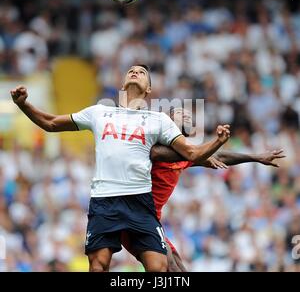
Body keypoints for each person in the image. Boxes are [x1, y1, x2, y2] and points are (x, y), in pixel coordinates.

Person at [10, 64, 231, 272]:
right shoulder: (99, 113)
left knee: (159, 267)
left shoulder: (159, 120)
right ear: (123, 84)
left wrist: (217, 142)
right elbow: (50, 123)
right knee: (98, 266)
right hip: (105, 199)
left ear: (149, 88)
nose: (135, 72)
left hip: (140, 201)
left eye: (141, 72)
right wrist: (23, 105)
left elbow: (191, 153)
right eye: (131, 71)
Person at [122, 107, 286, 271]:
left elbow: (219, 157)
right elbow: (160, 153)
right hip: (134, 217)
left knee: (179, 267)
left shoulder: (187, 154)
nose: (185, 114)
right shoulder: (155, 145)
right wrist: (206, 148)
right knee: (169, 266)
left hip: (150, 220)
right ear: (166, 121)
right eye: (178, 113)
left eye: (187, 113)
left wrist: (256, 157)